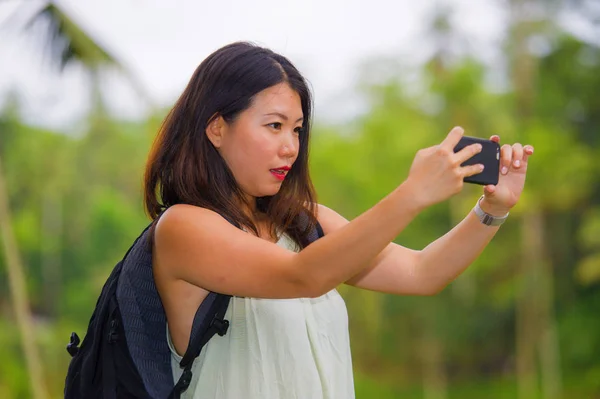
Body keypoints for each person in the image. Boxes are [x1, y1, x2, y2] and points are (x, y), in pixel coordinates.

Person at [144, 41, 534, 399]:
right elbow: (303, 276)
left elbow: (422, 272)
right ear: (217, 128)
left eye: (297, 130)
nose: (290, 146)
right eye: (274, 125)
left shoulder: (302, 222)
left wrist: (493, 209)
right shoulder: (184, 227)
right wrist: (411, 194)